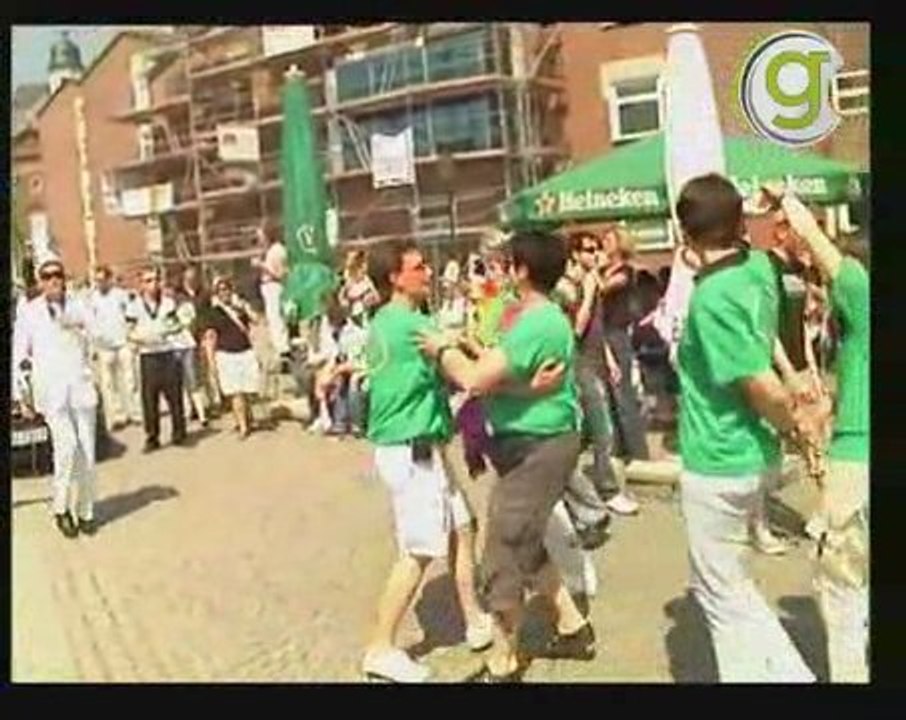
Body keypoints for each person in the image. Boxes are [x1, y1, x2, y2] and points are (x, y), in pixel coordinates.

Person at [418, 231, 596, 683]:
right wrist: (494, 364)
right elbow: (504, 366)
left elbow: (476, 379)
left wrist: (442, 348)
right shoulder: (528, 316)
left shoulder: (539, 322)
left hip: (541, 444)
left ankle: (504, 657)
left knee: (504, 546)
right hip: (523, 441)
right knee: (527, 541)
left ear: (521, 269)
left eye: (506, 263)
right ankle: (574, 627)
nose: (499, 270)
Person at [673, 173, 818, 682]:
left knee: (721, 597)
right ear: (737, 224)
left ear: (684, 235)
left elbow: (756, 384)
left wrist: (796, 419)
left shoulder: (712, 299)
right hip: (754, 456)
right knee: (729, 586)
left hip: (718, 457)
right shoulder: (758, 269)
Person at [360, 239, 493, 683]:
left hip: (422, 444)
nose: (429, 273)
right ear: (395, 277)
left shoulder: (392, 320)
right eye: (418, 267)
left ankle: (474, 618)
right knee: (418, 550)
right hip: (410, 448)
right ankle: (380, 647)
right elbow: (462, 372)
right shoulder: (410, 327)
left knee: (462, 524)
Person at [771, 188, 870, 683]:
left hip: (858, 462)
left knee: (844, 589)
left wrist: (785, 197)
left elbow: (812, 236)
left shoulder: (864, 293)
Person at [13, 252, 100, 537]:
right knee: (67, 448)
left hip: (80, 385)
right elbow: (19, 353)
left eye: (57, 275)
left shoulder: (79, 304)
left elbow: (98, 333)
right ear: (40, 281)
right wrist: (21, 392)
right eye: (47, 277)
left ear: (64, 278)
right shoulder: (29, 310)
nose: (53, 281)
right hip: (51, 390)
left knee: (87, 451)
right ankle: (61, 508)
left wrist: (83, 327)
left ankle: (86, 510)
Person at [569, 230, 638, 518]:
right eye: (587, 249)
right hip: (581, 363)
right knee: (603, 429)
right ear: (574, 254)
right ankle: (607, 490)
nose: (594, 253)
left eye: (596, 248)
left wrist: (609, 358)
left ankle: (578, 487)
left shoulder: (594, 281)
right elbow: (577, 328)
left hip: (598, 359)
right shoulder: (570, 286)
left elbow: (598, 326)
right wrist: (587, 291)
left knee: (589, 430)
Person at [599, 225, 650, 462]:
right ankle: (619, 447)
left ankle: (637, 451)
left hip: (616, 334)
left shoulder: (625, 272)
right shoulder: (605, 269)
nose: (604, 244)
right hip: (602, 334)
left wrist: (597, 272)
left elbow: (604, 288)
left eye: (609, 240)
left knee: (623, 392)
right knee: (609, 395)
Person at [126, 266, 187, 453]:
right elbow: (128, 330)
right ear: (141, 285)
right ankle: (152, 437)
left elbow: (177, 325)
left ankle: (179, 431)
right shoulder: (134, 306)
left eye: (155, 280)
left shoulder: (168, 303)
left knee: (174, 395)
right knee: (149, 399)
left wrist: (168, 331)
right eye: (148, 281)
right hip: (148, 355)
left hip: (167, 352)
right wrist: (139, 338)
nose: (152, 285)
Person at [208, 275, 262, 438]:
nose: (224, 293)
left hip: (245, 352)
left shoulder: (240, 308)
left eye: (227, 289)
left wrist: (244, 307)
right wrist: (211, 362)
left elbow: (256, 319)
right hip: (226, 354)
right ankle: (244, 426)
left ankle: (244, 418)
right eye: (221, 290)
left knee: (247, 390)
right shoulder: (214, 313)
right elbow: (210, 337)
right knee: (235, 391)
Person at [89, 264, 141, 430]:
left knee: (130, 379)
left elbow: (132, 315)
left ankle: (135, 412)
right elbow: (89, 323)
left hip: (123, 342)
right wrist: (93, 347)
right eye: (97, 281)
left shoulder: (120, 295)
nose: (100, 284)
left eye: (103, 280)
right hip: (104, 346)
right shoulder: (92, 298)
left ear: (109, 279)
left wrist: (132, 338)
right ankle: (118, 415)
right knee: (109, 384)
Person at [164, 284, 209, 428]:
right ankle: (187, 412)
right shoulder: (163, 308)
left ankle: (201, 414)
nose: (170, 295)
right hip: (172, 347)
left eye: (171, 292)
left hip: (187, 346)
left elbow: (189, 323)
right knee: (178, 382)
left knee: (192, 380)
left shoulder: (186, 307)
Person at [254, 228, 290, 359]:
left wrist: (261, 265)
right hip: (268, 287)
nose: (259, 240)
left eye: (261, 236)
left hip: (274, 286)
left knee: (276, 316)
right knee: (273, 317)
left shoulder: (277, 251)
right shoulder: (269, 250)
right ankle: (279, 346)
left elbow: (279, 273)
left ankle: (283, 348)